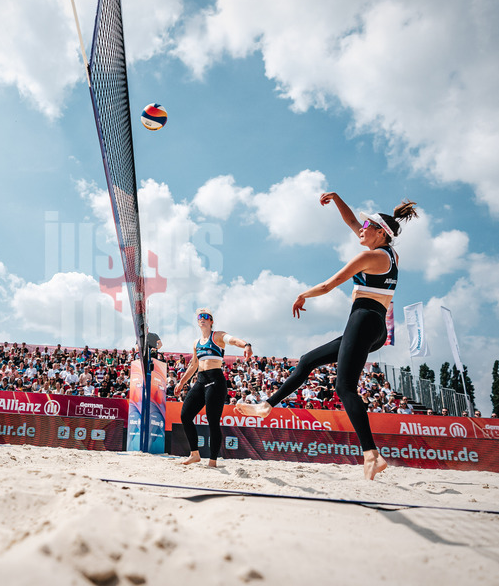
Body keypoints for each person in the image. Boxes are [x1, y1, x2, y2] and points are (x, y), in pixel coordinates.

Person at [235, 191, 418, 480]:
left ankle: (371, 454)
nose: (361, 229)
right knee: (307, 361)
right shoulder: (390, 253)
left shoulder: (369, 256)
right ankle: (266, 406)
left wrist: (301, 295)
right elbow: (353, 222)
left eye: (367, 227)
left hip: (364, 320)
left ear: (380, 233)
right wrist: (337, 199)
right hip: (374, 326)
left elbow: (328, 285)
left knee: (344, 388)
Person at [174, 308, 253, 467]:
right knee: (185, 415)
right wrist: (181, 382)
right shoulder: (196, 342)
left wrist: (246, 345)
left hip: (215, 381)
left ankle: (212, 461)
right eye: (199, 317)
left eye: (206, 317)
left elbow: (233, 340)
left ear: (211, 321)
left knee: (213, 421)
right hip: (200, 381)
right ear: (197, 322)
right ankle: (194, 454)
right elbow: (194, 364)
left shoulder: (217, 336)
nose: (202, 319)